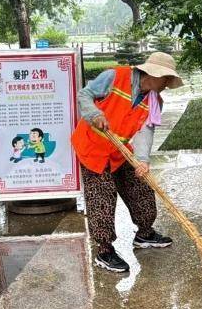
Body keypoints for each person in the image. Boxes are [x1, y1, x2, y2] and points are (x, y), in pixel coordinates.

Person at [71, 52, 183, 273]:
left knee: (140, 186)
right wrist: (94, 114)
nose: (167, 85)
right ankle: (104, 250)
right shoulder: (115, 76)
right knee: (102, 195)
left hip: (119, 149)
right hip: (92, 146)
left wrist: (142, 160)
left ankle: (144, 233)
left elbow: (145, 131)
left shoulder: (154, 100)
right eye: (166, 79)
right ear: (153, 74)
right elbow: (84, 94)